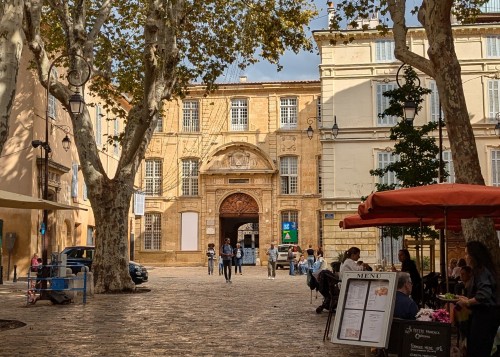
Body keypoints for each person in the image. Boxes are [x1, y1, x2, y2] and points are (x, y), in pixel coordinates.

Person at [456, 241, 500, 357]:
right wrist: (467, 299)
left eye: (467, 254)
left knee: (478, 349)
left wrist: (467, 302)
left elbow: (484, 295)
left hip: (484, 318)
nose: (465, 257)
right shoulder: (482, 270)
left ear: (474, 255)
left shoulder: (482, 271)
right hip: (486, 316)